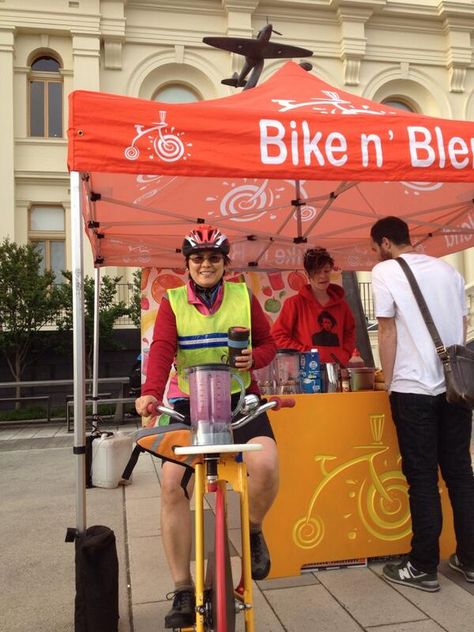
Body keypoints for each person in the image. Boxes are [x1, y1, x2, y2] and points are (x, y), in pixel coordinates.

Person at [135, 224, 278, 629]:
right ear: (187, 264)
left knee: (265, 465)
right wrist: (149, 392)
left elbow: (269, 343)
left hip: (237, 401)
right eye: (197, 257)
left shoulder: (241, 295)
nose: (205, 264)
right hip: (187, 404)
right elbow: (162, 349)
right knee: (170, 485)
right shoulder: (174, 301)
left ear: (224, 262)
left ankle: (252, 532)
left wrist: (257, 357)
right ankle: (183, 587)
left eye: (213, 257)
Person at [370, 215, 474, 592]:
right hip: (456, 387)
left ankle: (423, 565)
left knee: (422, 477)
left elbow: (387, 329)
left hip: (413, 388)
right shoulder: (449, 273)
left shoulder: (384, 271)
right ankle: (470, 559)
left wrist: (388, 380)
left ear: (384, 242)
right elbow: (461, 330)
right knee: (461, 473)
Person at [271, 247, 355, 364]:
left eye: (326, 271)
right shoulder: (294, 303)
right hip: (305, 371)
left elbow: (350, 332)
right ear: (307, 274)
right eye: (317, 272)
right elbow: (278, 336)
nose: (322, 276)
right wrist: (304, 353)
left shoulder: (342, 306)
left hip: (337, 370)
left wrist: (345, 353)